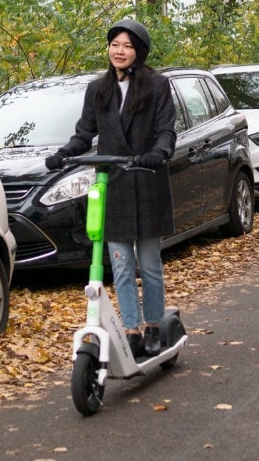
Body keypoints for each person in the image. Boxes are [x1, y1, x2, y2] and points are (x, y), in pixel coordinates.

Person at [45, 18, 177, 358]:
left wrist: (159, 153)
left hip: (147, 180)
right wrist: (64, 154)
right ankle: (131, 328)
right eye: (115, 44)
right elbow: (84, 133)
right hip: (114, 184)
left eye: (128, 46)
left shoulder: (157, 85)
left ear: (139, 52)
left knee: (148, 263)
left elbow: (166, 129)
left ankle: (152, 325)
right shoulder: (97, 89)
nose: (120, 51)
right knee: (119, 263)